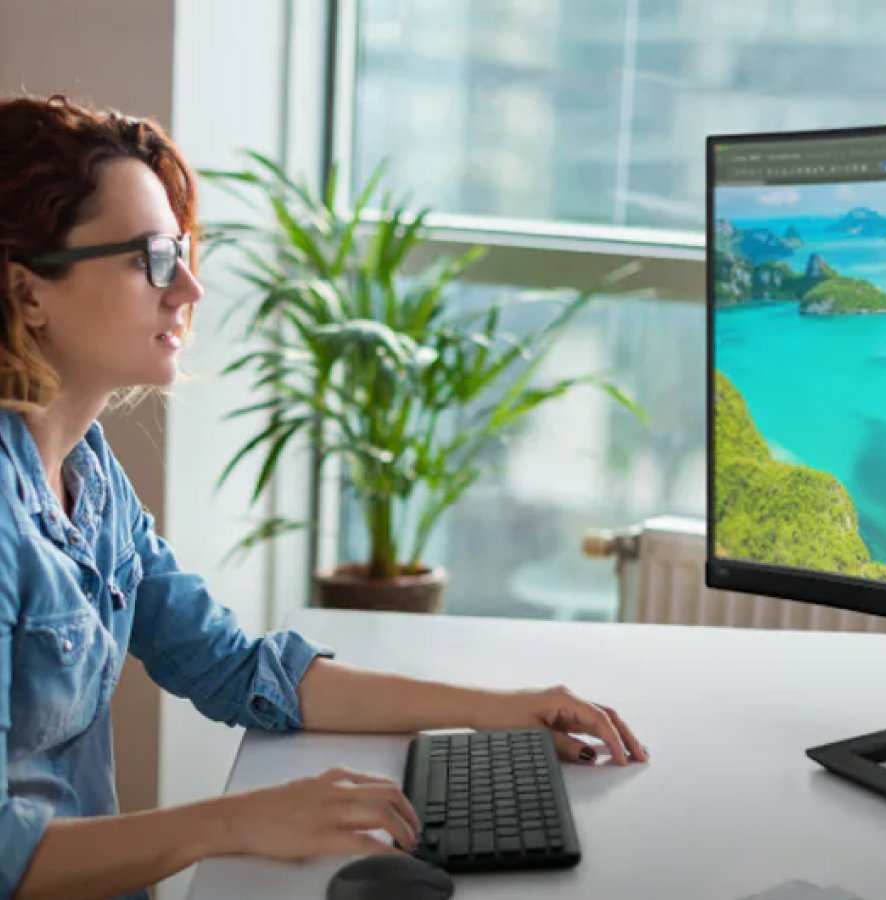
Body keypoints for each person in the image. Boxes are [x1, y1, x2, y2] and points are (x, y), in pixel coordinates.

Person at [0, 94, 649, 900]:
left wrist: (504, 710)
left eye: (184, 252)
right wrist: (233, 822)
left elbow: (239, 668)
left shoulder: (88, 476)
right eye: (152, 259)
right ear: (28, 293)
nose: (189, 289)